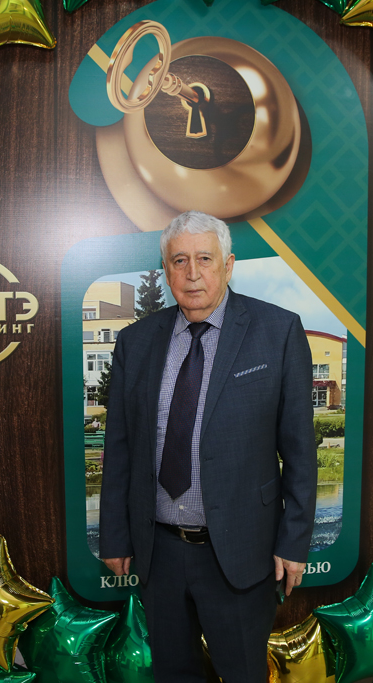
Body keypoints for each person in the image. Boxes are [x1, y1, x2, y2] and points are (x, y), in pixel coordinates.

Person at [99, 211, 317, 683]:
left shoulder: (277, 331)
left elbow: (300, 451)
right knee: (173, 674)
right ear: (166, 270)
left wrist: (294, 540)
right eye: (179, 261)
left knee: (242, 673)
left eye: (204, 259)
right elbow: (119, 449)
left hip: (240, 551)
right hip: (159, 554)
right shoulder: (135, 342)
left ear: (228, 265)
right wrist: (115, 535)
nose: (192, 273)